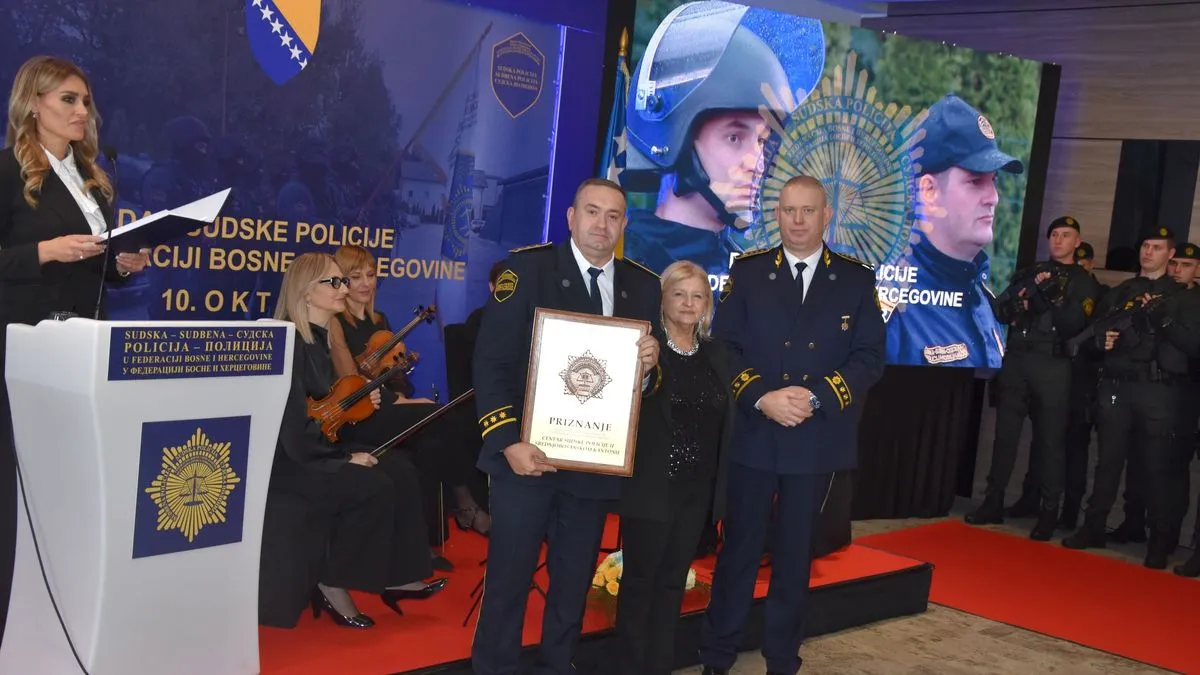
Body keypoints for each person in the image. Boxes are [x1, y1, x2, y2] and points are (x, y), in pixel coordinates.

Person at [470, 178, 661, 675]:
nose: (602, 224)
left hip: (593, 461)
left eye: (613, 215)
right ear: (571, 217)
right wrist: (507, 440)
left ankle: (559, 665)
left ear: (624, 225)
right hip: (525, 457)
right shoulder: (527, 269)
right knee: (510, 577)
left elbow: (646, 387)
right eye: (592, 212)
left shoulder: (642, 286)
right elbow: (490, 363)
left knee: (573, 581)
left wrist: (649, 369)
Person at [699, 175, 885, 675]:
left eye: (808, 211)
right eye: (788, 211)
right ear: (775, 214)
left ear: (827, 216)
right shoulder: (750, 272)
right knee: (737, 552)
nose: (797, 221)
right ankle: (717, 656)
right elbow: (724, 346)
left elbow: (869, 358)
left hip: (815, 440)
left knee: (794, 557)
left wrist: (816, 398)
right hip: (755, 435)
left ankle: (783, 659)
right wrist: (761, 396)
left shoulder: (855, 280)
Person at [0, 55, 151, 643]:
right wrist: (44, 252)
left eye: (86, 102)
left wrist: (122, 264)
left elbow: (93, 269)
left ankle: (62, 614)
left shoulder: (94, 179)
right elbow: (33, 258)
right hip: (26, 357)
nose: (82, 112)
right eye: (68, 99)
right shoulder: (7, 174)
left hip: (83, 355)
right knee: (20, 495)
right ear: (32, 104)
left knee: (69, 489)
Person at [269, 252, 446, 625]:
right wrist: (342, 460)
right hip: (292, 460)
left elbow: (325, 411)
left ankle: (400, 574)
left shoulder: (317, 340)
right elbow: (291, 429)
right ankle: (331, 581)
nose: (343, 288)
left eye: (342, 281)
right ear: (305, 292)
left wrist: (360, 403)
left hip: (315, 447)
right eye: (333, 282)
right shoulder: (289, 343)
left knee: (399, 468)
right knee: (373, 484)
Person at [620, 3, 822, 278]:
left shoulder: (756, 278)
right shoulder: (618, 263)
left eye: (763, 142)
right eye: (734, 137)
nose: (757, 164)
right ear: (676, 138)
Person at [614, 260, 736, 675]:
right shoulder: (645, 349)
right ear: (662, 298)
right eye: (679, 294)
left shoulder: (717, 355)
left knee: (672, 584)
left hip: (696, 491)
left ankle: (658, 666)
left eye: (697, 295)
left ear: (707, 304)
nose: (688, 303)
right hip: (650, 487)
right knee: (638, 584)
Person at [327, 244, 491, 538]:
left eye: (371, 275)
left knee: (432, 443)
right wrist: (401, 401)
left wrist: (403, 394)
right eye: (356, 276)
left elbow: (395, 377)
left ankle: (427, 543)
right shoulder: (335, 323)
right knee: (440, 417)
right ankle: (465, 501)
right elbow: (349, 385)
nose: (366, 283)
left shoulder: (380, 322)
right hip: (360, 416)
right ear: (342, 281)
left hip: (388, 408)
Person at [1063, 228, 1200, 569]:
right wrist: (1101, 343)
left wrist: (1162, 320)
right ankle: (1093, 526)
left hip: (1158, 391)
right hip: (1117, 387)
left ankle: (1158, 541)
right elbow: (1095, 335)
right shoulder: (1123, 291)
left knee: (1158, 469)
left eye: (1156, 248)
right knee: (1107, 462)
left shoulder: (1182, 296)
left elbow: (1192, 347)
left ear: (1170, 256)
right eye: (1144, 246)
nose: (1147, 252)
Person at [965, 216, 1099, 539]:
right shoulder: (1030, 271)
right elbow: (1002, 311)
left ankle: (1048, 512)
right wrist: (1016, 302)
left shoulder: (1082, 281)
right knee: (1005, 435)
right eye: (1054, 234)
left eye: (1066, 235)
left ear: (1077, 242)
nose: (1058, 240)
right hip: (1019, 357)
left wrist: (1052, 297)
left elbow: (1073, 326)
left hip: (1052, 364)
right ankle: (993, 501)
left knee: (1051, 439)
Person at [883, 94, 1024, 368]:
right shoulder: (888, 309)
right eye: (975, 181)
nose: (993, 197)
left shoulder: (980, 297)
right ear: (929, 191)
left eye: (993, 181)